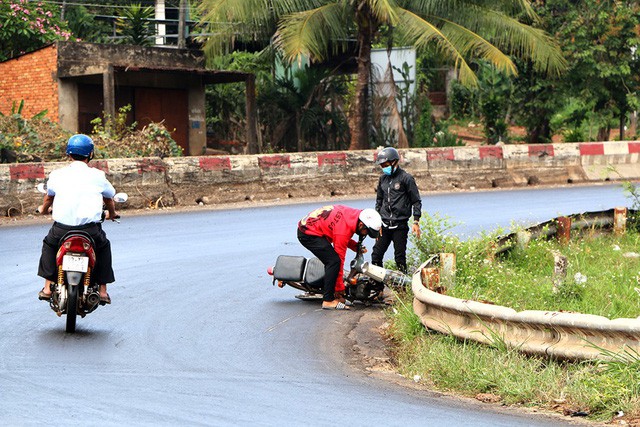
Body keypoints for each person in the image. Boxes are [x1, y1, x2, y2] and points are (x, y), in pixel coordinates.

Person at [37, 134, 118, 305]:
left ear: (69, 153)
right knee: (103, 247)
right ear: (90, 154)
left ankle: (46, 287)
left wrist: (43, 209)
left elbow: (48, 198)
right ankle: (103, 292)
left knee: (50, 245)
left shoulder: (58, 175)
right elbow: (109, 198)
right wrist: (112, 213)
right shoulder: (98, 175)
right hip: (90, 230)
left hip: (61, 230)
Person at [297, 205, 382, 310]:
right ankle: (328, 300)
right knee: (333, 262)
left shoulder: (353, 216)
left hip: (315, 227)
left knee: (333, 261)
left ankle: (336, 296)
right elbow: (340, 257)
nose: (366, 235)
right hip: (308, 233)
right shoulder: (344, 228)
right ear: (361, 225)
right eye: (367, 232)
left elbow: (341, 235)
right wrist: (339, 288)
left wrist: (355, 246)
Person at [372, 147, 422, 274]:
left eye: (385, 164)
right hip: (384, 226)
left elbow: (416, 201)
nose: (384, 167)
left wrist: (416, 221)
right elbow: (379, 201)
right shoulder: (382, 179)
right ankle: (378, 286)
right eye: (382, 165)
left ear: (394, 162)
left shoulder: (406, 178)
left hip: (400, 226)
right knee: (376, 256)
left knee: (399, 259)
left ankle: (403, 287)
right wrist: (377, 222)